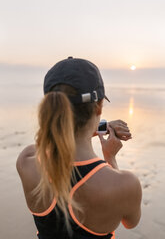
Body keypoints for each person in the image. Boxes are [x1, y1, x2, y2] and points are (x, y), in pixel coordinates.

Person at [16, 57, 142, 239]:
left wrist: (100, 126)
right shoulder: (125, 185)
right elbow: (130, 223)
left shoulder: (26, 160)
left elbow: (54, 137)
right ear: (99, 107)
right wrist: (110, 158)